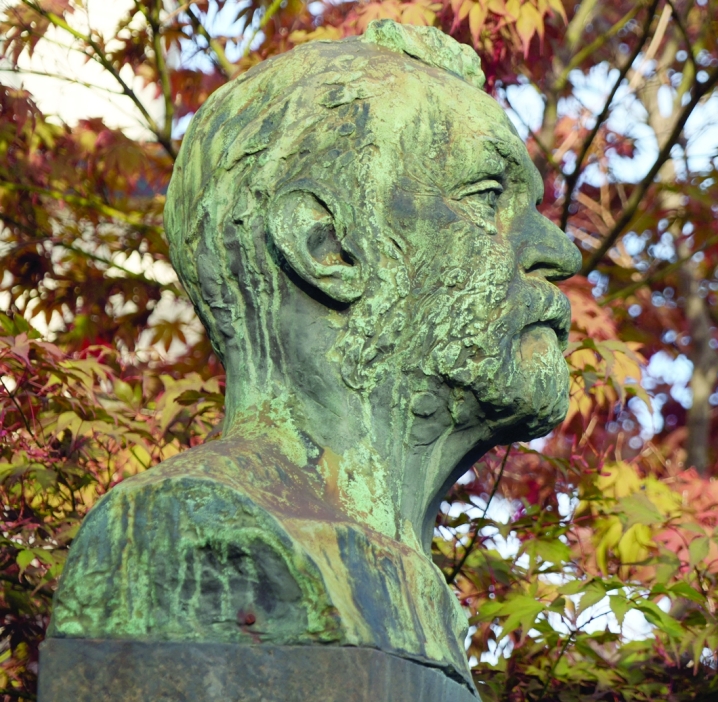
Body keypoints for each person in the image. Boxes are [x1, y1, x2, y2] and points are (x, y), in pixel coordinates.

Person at [47, 20, 581, 694]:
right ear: (327, 247)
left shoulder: (418, 593)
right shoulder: (187, 538)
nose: (562, 252)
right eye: (487, 199)